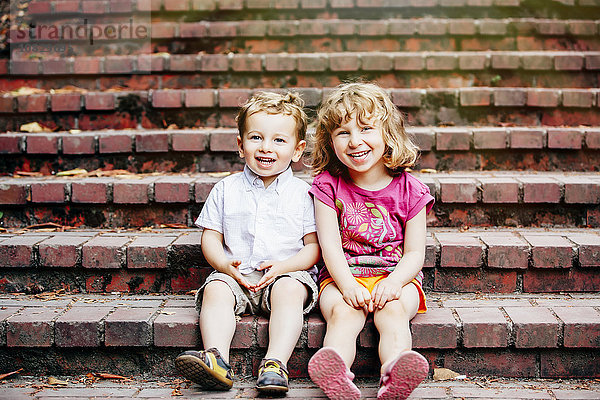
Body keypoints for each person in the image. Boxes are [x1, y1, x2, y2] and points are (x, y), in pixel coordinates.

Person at [175, 91, 320, 395]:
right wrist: (223, 265)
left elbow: (312, 247)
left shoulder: (303, 194)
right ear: (240, 145)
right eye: (256, 137)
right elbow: (211, 238)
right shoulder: (226, 189)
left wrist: (285, 267)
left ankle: (274, 363)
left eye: (279, 140)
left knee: (291, 290)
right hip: (236, 274)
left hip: (285, 273)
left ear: (298, 149)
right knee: (215, 289)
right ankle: (217, 360)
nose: (266, 147)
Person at [306, 82, 434, 400]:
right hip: (342, 275)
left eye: (366, 128)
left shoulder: (411, 190)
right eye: (343, 133)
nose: (355, 141)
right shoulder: (327, 186)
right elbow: (330, 246)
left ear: (387, 133)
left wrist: (394, 283)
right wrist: (347, 284)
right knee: (342, 314)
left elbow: (415, 252)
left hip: (395, 277)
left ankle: (395, 372)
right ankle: (335, 373)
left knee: (392, 313)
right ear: (330, 141)